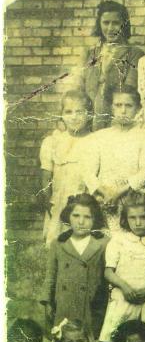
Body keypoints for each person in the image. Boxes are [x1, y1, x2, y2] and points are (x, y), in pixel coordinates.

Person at [81, 85, 145, 232]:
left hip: (134, 199)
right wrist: (105, 193)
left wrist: (118, 193)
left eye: (129, 106)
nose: (123, 110)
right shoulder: (99, 137)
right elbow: (88, 172)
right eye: (118, 105)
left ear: (138, 108)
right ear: (111, 107)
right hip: (105, 199)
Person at [40, 194, 109, 337]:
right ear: (68, 216)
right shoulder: (58, 243)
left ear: (95, 219)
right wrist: (47, 302)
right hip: (65, 305)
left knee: (89, 340)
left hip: (92, 306)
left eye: (87, 217)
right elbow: (50, 276)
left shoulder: (103, 243)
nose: (81, 222)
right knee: (66, 340)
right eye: (76, 216)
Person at [74, 0, 144, 130]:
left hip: (117, 120)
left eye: (116, 23)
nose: (110, 28)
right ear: (99, 24)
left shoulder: (134, 53)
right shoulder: (89, 53)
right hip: (88, 121)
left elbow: (129, 90)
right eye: (106, 23)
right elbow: (78, 89)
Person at [99, 192, 145, 342]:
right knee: (115, 339)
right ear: (126, 219)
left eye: (143, 217)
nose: (138, 223)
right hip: (123, 297)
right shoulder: (119, 240)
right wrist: (125, 288)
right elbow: (108, 272)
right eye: (133, 218)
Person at [38, 90, 93, 244]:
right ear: (61, 115)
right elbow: (46, 177)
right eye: (68, 112)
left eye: (80, 112)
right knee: (59, 243)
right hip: (59, 202)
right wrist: (48, 202)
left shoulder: (95, 141)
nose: (74, 117)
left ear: (89, 114)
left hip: (85, 202)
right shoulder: (53, 142)